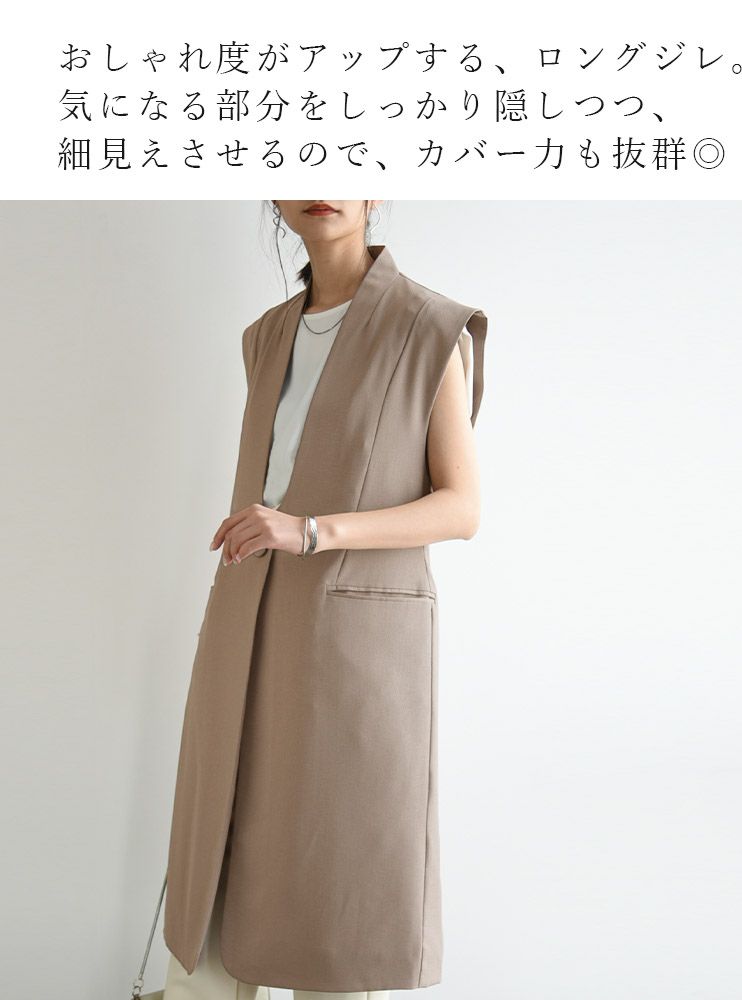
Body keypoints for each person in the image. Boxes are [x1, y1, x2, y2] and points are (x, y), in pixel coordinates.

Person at [162, 201, 487, 1000]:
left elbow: (461, 507)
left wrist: (311, 530)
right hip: (243, 627)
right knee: (214, 889)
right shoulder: (265, 337)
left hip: (353, 652)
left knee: (337, 902)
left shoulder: (429, 328)